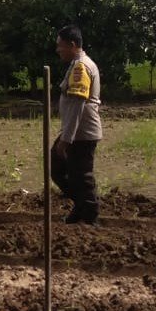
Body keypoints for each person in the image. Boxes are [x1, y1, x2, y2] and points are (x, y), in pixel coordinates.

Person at [51, 25, 102, 225]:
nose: (58, 49)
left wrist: (66, 139)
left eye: (60, 45)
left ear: (72, 45)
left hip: (82, 133)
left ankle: (89, 215)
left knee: (82, 176)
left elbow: (77, 105)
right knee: (59, 168)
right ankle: (82, 206)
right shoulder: (77, 64)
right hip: (76, 131)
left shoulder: (81, 67)